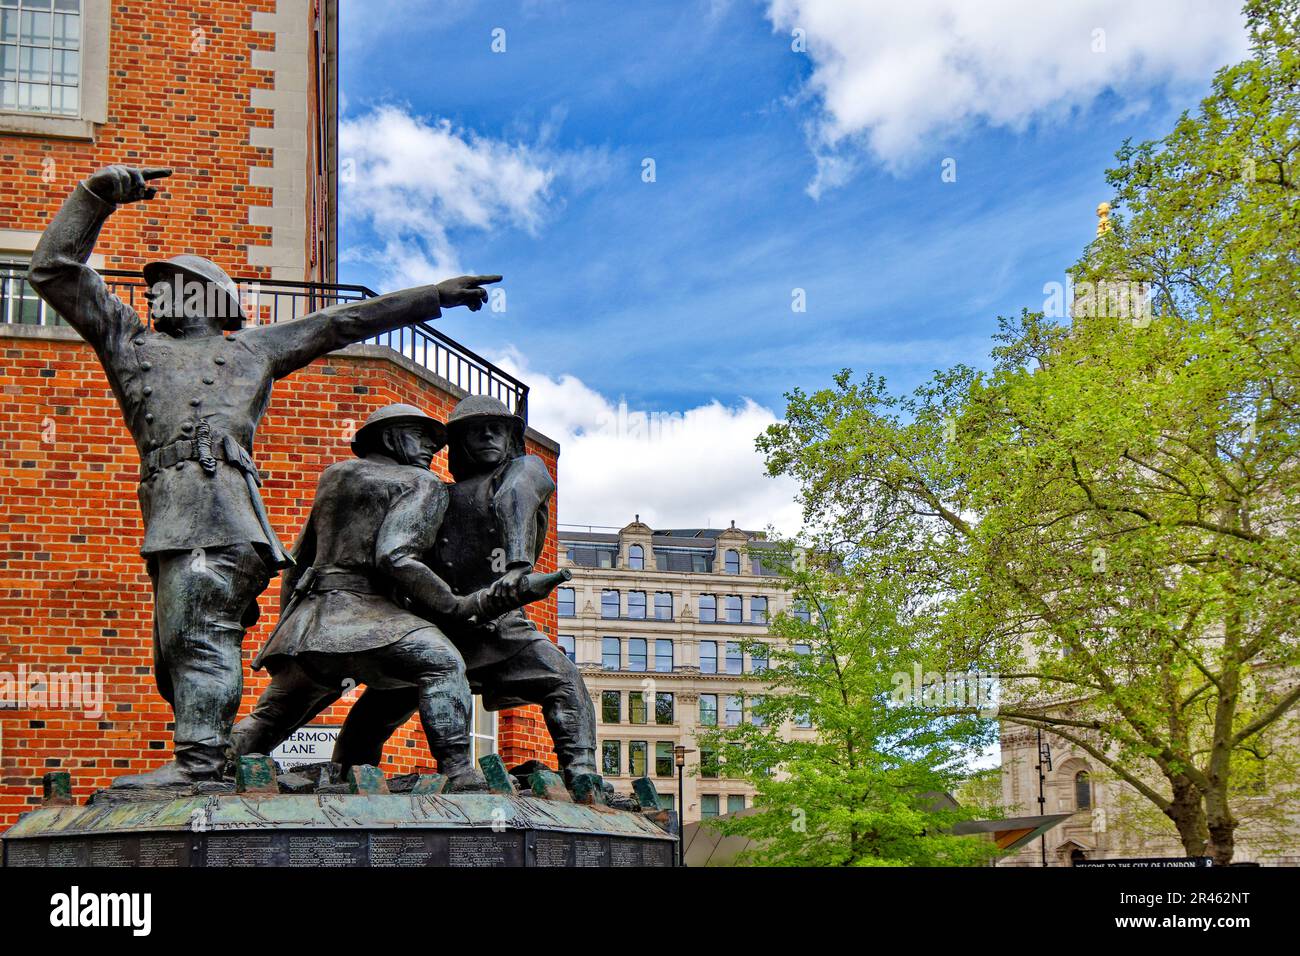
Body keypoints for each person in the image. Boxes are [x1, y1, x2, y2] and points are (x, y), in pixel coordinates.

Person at [28, 163, 500, 787]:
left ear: (206, 300)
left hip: (222, 516)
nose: (156, 296)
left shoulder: (250, 349)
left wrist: (433, 296)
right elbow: (54, 272)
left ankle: (200, 767)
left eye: (171, 286)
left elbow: (342, 323)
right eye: (157, 287)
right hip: (173, 515)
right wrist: (95, 196)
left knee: (198, 636)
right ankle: (212, 757)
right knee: (176, 650)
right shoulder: (130, 343)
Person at [330, 395, 599, 790]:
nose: (488, 435)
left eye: (498, 429)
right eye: (475, 430)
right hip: (443, 627)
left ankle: (582, 773)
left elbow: (516, 499)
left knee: (563, 680)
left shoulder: (526, 470)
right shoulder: (435, 493)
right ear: (459, 443)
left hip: (501, 628)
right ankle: (344, 778)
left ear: (511, 439)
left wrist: (518, 565)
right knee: (376, 710)